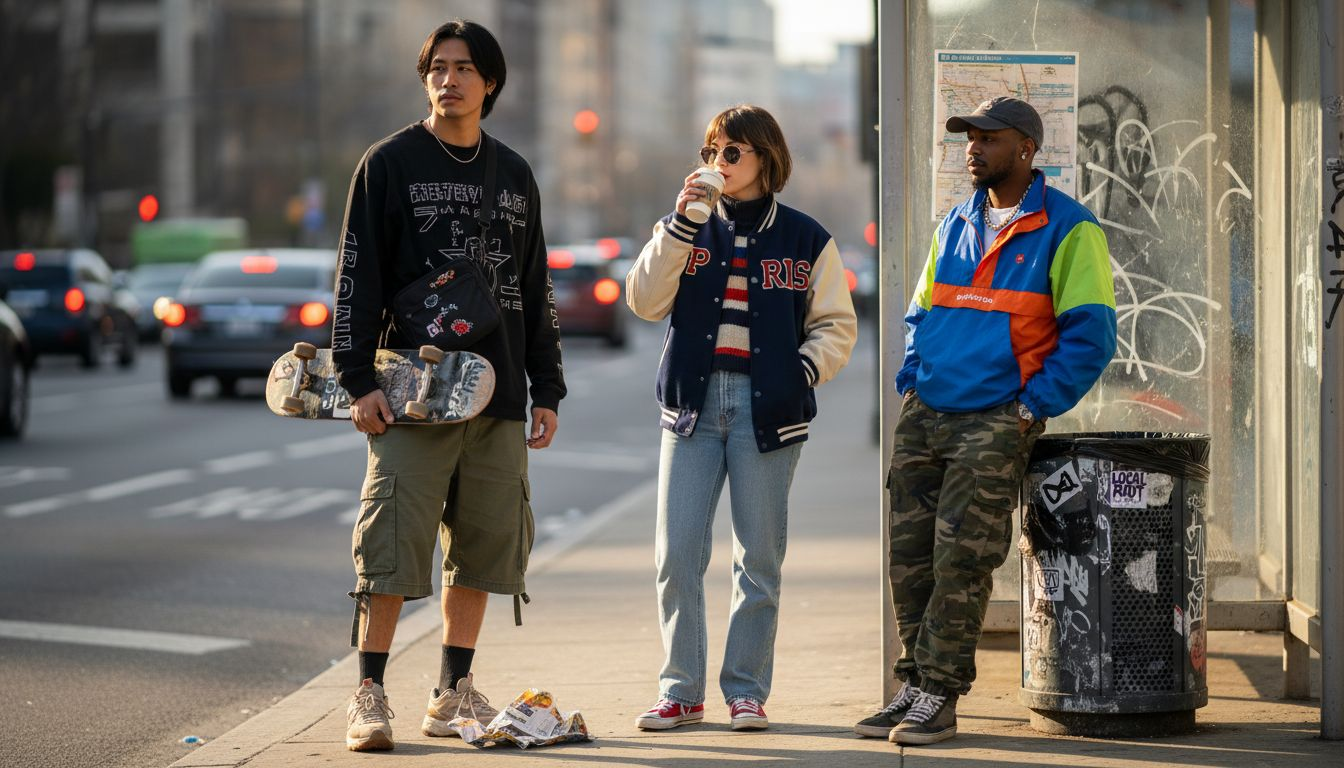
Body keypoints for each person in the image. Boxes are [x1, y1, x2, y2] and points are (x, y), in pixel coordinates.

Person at [331, 19, 565, 752]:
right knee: (393, 542)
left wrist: (547, 388)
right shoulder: (389, 163)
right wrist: (355, 378)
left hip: (497, 394)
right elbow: (356, 275)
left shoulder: (515, 174)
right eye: (438, 66)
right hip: (411, 394)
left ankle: (451, 689)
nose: (449, 79)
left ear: (489, 83)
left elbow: (534, 287)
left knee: (483, 546)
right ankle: (368, 693)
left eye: (465, 68)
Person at [854, 96, 1116, 746]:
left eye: (988, 137)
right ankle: (913, 684)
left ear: (1025, 149)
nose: (972, 147)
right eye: (968, 136)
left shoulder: (1069, 229)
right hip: (927, 414)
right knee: (909, 558)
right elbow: (920, 312)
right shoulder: (955, 222)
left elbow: (1091, 336)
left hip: (996, 419)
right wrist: (913, 380)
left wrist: (1030, 405)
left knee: (962, 560)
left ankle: (940, 696)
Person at [626, 104, 858, 732]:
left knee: (758, 561)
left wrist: (799, 374)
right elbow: (645, 302)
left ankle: (747, 691)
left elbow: (836, 326)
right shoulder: (685, 227)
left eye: (732, 152)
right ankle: (680, 691)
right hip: (692, 410)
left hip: (768, 415)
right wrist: (678, 226)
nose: (718, 163)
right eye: (711, 152)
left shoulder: (807, 238)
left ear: (766, 158)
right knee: (676, 555)